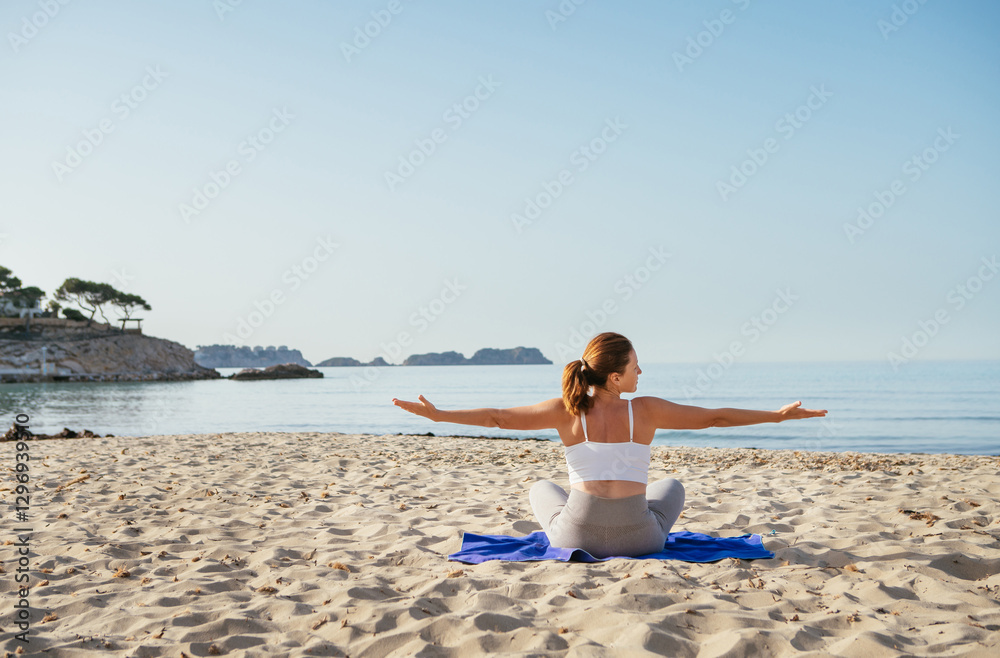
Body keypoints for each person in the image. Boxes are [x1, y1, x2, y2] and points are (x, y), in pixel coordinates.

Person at [391, 332, 827, 558]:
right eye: (636, 367)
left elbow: (498, 418)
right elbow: (716, 418)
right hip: (641, 540)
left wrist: (439, 415)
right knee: (672, 486)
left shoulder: (565, 410)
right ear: (615, 377)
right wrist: (777, 415)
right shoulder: (649, 410)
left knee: (541, 487)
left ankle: (572, 520)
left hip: (575, 535)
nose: (642, 373)